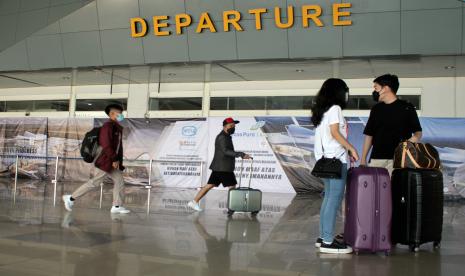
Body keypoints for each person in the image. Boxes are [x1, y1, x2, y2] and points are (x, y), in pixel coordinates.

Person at [312, 78, 359, 254]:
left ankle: (323, 237)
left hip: (325, 162)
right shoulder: (335, 109)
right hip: (336, 162)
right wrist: (351, 148)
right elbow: (334, 133)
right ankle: (328, 241)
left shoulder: (323, 111)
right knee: (334, 200)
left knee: (328, 199)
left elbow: (325, 137)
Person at [63, 104, 130, 214]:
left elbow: (117, 148)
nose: (121, 115)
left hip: (110, 160)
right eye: (119, 113)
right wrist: (114, 159)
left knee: (119, 181)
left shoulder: (115, 127)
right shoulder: (108, 127)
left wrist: (116, 160)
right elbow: (106, 144)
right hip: (106, 160)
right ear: (112, 114)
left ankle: (117, 206)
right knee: (95, 182)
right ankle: (70, 198)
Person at [360, 74, 422, 174]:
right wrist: (363, 159)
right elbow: (369, 135)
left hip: (399, 160)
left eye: (376, 87)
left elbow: (418, 132)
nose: (374, 91)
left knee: (397, 188)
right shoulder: (376, 109)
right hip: (377, 159)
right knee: (375, 189)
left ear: (386, 88)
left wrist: (412, 140)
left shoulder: (407, 107)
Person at [188, 117, 251, 212]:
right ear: (225, 126)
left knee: (209, 185)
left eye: (234, 126)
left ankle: (194, 202)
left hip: (220, 167)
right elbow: (225, 151)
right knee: (232, 186)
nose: (233, 128)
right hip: (223, 167)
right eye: (231, 126)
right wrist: (241, 154)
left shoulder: (226, 136)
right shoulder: (222, 137)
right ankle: (233, 207)